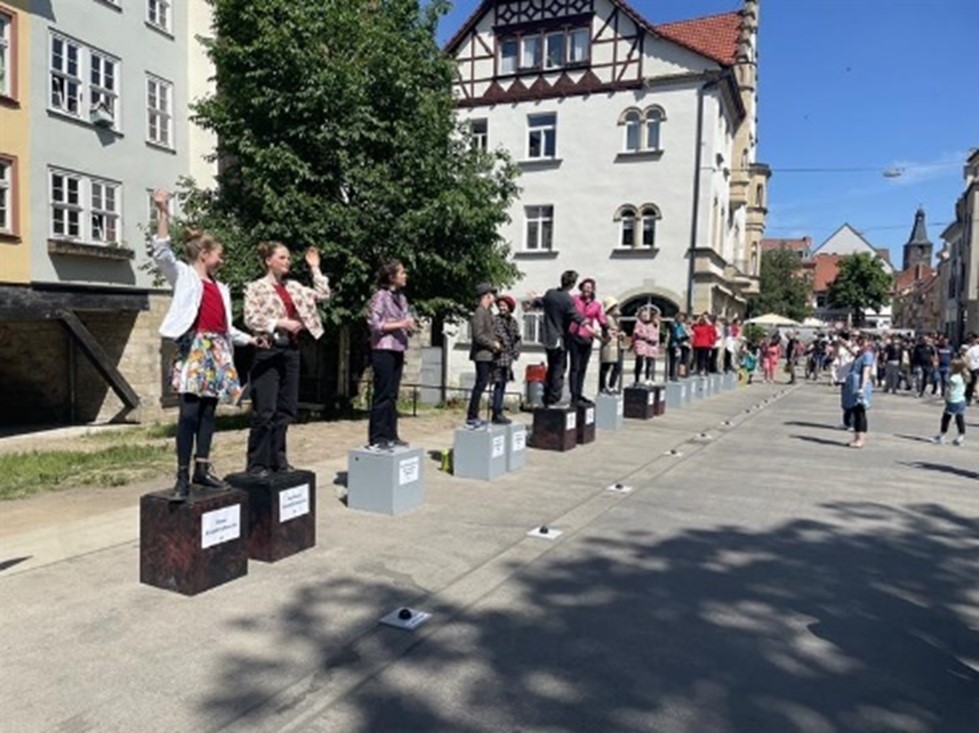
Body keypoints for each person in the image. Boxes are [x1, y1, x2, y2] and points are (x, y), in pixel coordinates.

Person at [151, 189, 260, 501]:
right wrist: (163, 212)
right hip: (195, 348)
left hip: (217, 349)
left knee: (209, 413)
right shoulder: (185, 276)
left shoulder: (220, 288)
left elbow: (224, 327)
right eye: (218, 254)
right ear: (203, 253)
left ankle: (202, 467)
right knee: (189, 413)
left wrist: (249, 338)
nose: (221, 260)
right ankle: (182, 475)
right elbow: (162, 253)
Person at [243, 242, 331, 475]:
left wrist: (315, 268)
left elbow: (324, 295)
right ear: (268, 261)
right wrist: (280, 322)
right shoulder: (256, 288)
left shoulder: (293, 286)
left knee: (287, 408)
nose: (287, 262)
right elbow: (250, 318)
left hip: (290, 350)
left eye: (289, 258)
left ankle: (278, 459)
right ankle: (257, 463)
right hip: (269, 349)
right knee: (265, 410)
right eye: (282, 257)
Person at [367, 260, 416, 451]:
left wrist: (410, 325)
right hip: (383, 349)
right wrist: (400, 324)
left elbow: (405, 319)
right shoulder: (380, 296)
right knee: (382, 394)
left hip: (398, 348)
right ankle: (377, 437)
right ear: (391, 277)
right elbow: (374, 324)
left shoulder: (402, 298)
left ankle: (391, 435)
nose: (405, 276)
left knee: (392, 395)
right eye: (402, 272)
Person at [533, 271, 586, 407]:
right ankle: (554, 399)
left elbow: (540, 302)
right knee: (559, 368)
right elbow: (574, 314)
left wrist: (534, 300)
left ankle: (547, 397)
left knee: (551, 368)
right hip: (559, 339)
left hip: (548, 338)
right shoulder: (567, 299)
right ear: (572, 284)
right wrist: (585, 322)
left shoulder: (550, 293)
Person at [567, 278, 608, 405]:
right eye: (585, 287)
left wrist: (607, 331)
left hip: (587, 337)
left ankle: (579, 393)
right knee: (575, 367)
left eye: (589, 287)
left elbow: (601, 320)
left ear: (593, 290)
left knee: (583, 367)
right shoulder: (574, 299)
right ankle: (573, 395)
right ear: (581, 288)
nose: (587, 290)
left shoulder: (596, 305)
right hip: (574, 335)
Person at [466, 283, 501, 428]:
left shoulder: (488, 312)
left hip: (489, 354)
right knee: (480, 384)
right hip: (482, 355)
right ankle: (472, 416)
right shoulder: (480, 312)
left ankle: (475, 415)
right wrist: (493, 344)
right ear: (487, 296)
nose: (495, 298)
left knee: (483, 384)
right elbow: (478, 335)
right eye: (493, 295)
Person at [491, 294, 521, 424]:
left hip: (508, 358)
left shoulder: (513, 322)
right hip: (498, 357)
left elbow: (517, 338)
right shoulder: (495, 320)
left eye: (504, 306)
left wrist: (515, 353)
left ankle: (499, 411)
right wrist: (498, 345)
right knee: (498, 384)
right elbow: (494, 336)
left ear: (509, 307)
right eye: (500, 306)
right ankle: (496, 412)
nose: (502, 308)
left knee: (503, 384)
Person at [842, 335, 875, 449]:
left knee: (860, 412)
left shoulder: (868, 354)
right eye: (859, 341)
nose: (860, 342)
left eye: (863, 341)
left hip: (860, 384)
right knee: (855, 412)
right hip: (853, 384)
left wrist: (862, 387)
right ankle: (856, 437)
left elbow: (866, 371)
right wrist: (845, 344)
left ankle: (861, 439)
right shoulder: (861, 353)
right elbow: (852, 351)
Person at [931, 357, 967, 446]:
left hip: (953, 400)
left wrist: (946, 398)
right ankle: (960, 436)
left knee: (946, 418)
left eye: (952, 366)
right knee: (959, 418)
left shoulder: (953, 378)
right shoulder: (963, 376)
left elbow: (949, 390)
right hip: (961, 400)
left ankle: (942, 436)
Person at [599, 297, 624, 393]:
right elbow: (607, 331)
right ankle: (603, 386)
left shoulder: (617, 319)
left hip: (617, 345)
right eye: (615, 307)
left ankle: (611, 385)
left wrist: (621, 334)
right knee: (606, 366)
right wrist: (616, 333)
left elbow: (617, 330)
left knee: (618, 366)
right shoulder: (607, 319)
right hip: (609, 345)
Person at [631, 306, 660, 385]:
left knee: (649, 363)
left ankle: (648, 378)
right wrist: (646, 337)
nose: (645, 317)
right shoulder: (639, 323)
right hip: (642, 344)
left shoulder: (652, 325)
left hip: (649, 345)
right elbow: (637, 333)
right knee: (640, 362)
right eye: (643, 316)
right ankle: (637, 379)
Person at [668, 313, 691, 380]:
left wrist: (686, 336)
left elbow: (685, 334)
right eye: (680, 318)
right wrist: (683, 337)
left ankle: (674, 374)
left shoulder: (680, 325)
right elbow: (675, 335)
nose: (681, 320)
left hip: (679, 344)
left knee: (677, 360)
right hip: (674, 344)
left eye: (682, 319)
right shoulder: (673, 325)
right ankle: (673, 375)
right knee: (674, 360)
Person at [965, 334, 979, 404]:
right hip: (972, 368)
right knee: (972, 383)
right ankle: (969, 398)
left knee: (973, 383)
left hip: (974, 368)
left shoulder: (972, 349)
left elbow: (966, 358)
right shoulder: (969, 348)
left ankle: (970, 398)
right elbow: (966, 358)